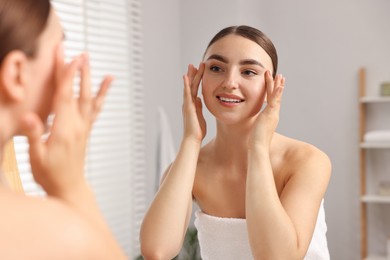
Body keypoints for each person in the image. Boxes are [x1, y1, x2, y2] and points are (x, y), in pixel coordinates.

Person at [140, 25, 331, 260]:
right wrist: (191, 139)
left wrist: (258, 147)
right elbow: (156, 250)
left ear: (272, 86)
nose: (230, 82)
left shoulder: (306, 161)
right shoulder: (190, 167)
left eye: (249, 72)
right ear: (199, 79)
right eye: (216, 68)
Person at [0, 0, 127, 259]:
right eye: (60, 47)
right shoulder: (50, 234)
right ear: (16, 74)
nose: (68, 67)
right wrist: (72, 187)